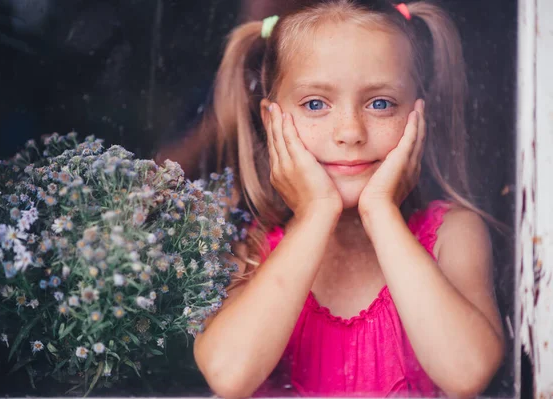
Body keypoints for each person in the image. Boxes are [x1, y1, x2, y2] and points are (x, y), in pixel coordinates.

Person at [191, 1, 505, 397]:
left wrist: (381, 212)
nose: (350, 132)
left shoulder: (451, 235)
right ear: (272, 122)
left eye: (380, 103)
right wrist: (315, 215)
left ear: (417, 118)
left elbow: (467, 373)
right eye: (315, 104)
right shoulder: (252, 247)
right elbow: (228, 374)